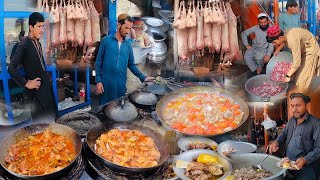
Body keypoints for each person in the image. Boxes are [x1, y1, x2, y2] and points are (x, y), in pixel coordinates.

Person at [95, 13, 154, 105]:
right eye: (126, 28)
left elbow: (131, 65)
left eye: (130, 28)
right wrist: (98, 81)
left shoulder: (128, 45)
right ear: (119, 25)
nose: (128, 31)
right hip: (106, 83)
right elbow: (98, 62)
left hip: (120, 84)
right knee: (104, 110)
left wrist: (143, 77)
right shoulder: (106, 41)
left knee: (119, 111)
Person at [8, 12, 56, 120]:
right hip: (36, 93)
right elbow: (11, 68)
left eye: (43, 26)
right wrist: (26, 83)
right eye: (39, 26)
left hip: (46, 89)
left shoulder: (37, 43)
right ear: (31, 27)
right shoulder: (23, 45)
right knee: (41, 125)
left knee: (51, 120)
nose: (42, 30)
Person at [269, 93, 320, 180]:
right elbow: (284, 135)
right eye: (292, 106)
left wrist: (305, 159)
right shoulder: (292, 120)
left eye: (298, 105)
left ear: (306, 105)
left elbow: (318, 148)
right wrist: (276, 142)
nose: (294, 109)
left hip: (307, 169)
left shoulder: (316, 123)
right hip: (289, 165)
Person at [266, 25, 320, 93]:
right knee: (297, 75)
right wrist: (278, 50)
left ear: (280, 37)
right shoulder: (286, 34)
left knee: (303, 79)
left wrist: (288, 76)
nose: (274, 44)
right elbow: (284, 41)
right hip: (303, 49)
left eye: (274, 42)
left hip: (310, 50)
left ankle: (302, 96)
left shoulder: (292, 40)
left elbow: (297, 63)